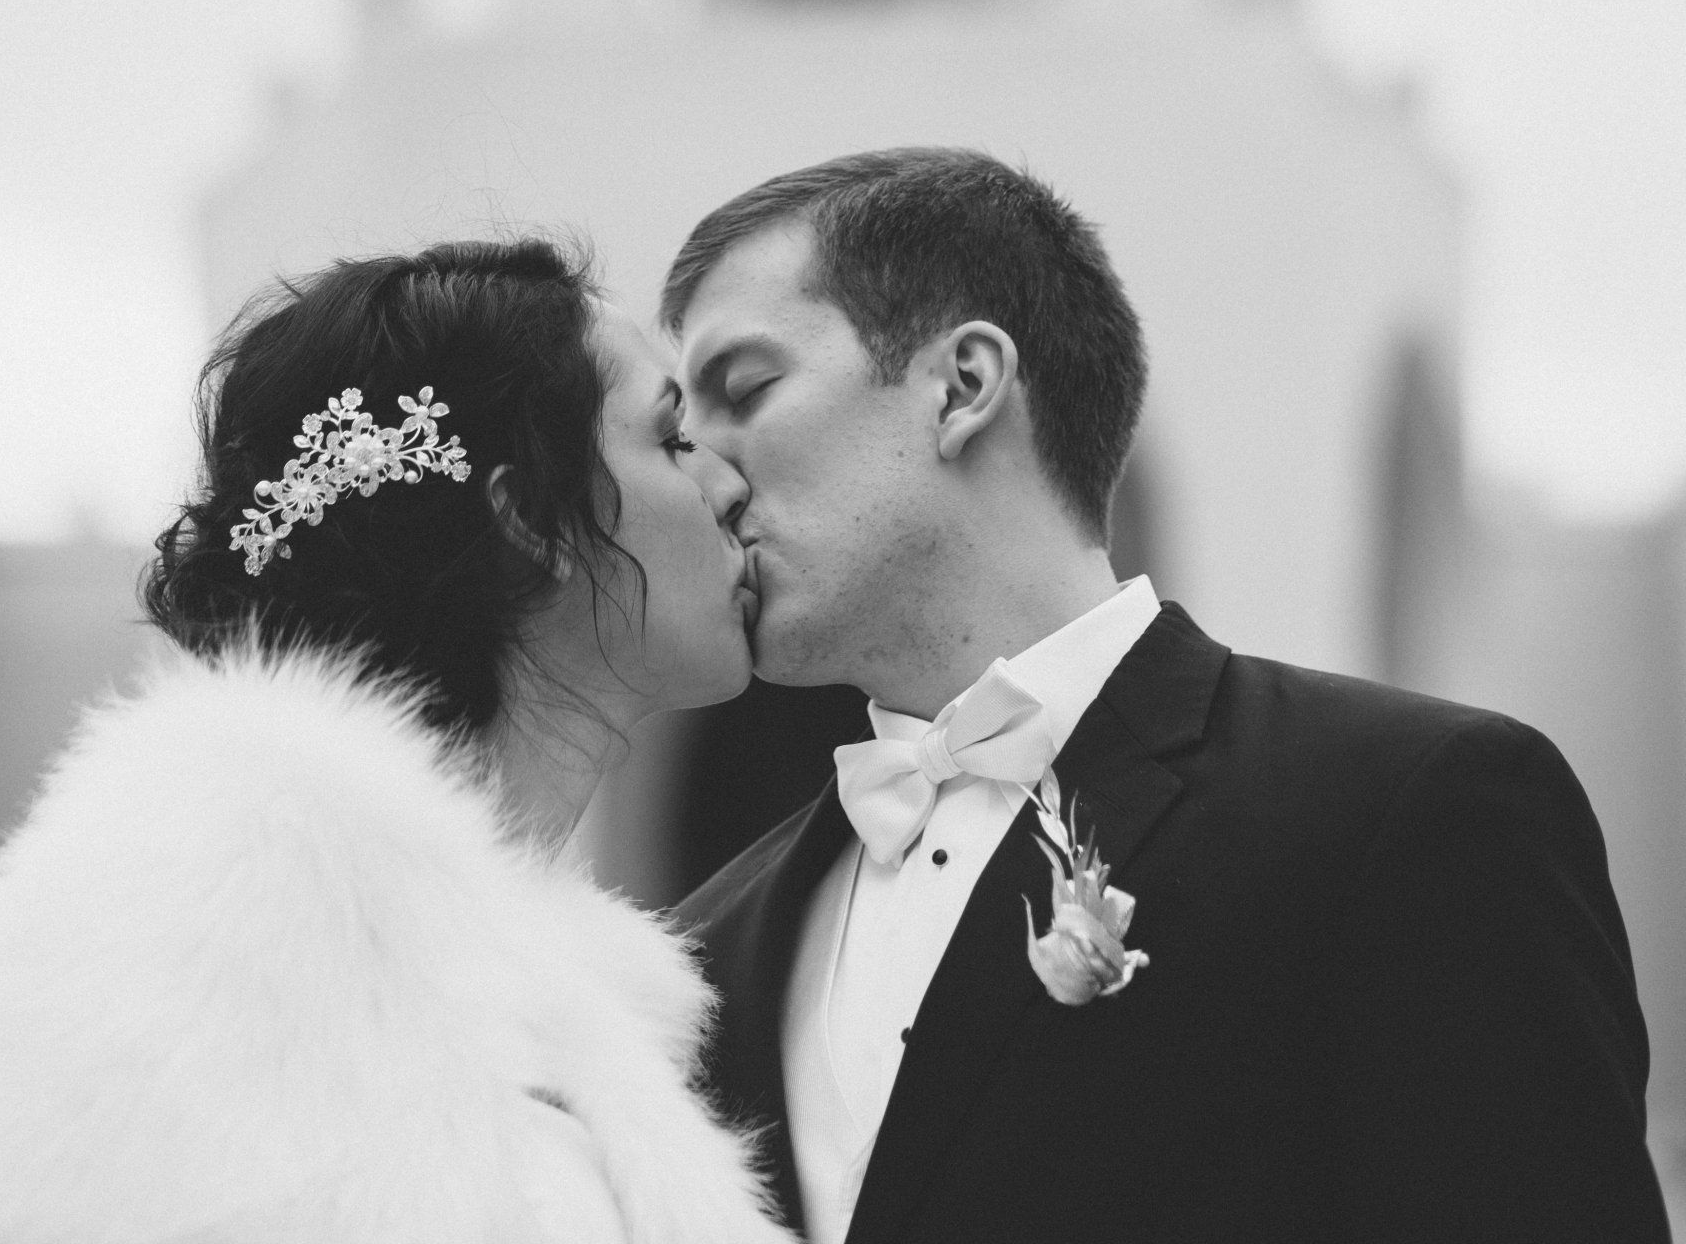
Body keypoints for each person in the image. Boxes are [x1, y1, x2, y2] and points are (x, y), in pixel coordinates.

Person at [663, 147, 1669, 1244]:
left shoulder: (1415, 814)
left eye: (744, 392)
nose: (699, 475)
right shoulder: (705, 950)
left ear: (961, 387)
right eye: (679, 428)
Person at [0, 239, 786, 1244]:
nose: (731, 485)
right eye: (671, 440)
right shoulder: (207, 916)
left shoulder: (564, 992)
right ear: (533, 516)